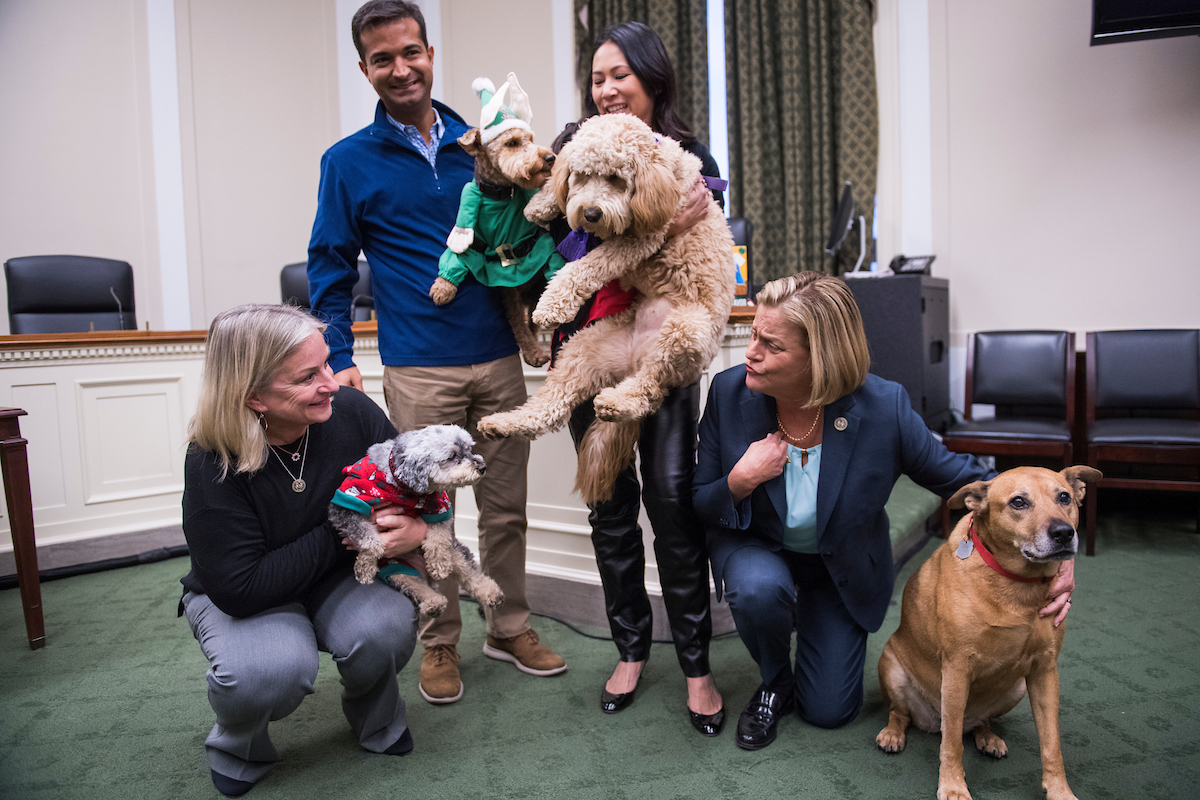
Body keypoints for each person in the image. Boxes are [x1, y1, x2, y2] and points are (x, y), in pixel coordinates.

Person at [692, 271, 1077, 751]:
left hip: (842, 567)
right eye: (754, 335)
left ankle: (814, 637)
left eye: (771, 344)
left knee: (830, 712)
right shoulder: (729, 393)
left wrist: (1055, 547)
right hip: (760, 550)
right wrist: (741, 478)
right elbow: (702, 501)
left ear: (822, 359)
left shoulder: (882, 408)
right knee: (757, 587)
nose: (751, 352)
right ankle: (774, 680)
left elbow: (965, 478)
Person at [305, 0, 567, 706]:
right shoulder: (347, 161)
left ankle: (508, 626)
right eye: (383, 59)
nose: (401, 69)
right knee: (430, 519)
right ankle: (441, 640)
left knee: (506, 508)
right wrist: (335, 353)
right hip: (418, 365)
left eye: (410, 52)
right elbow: (328, 264)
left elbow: (531, 225)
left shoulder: (483, 142)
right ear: (365, 69)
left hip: (500, 356)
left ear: (430, 53)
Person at [547, 21, 725, 736]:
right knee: (609, 506)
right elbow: (549, 231)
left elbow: (701, 254)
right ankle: (628, 650)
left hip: (660, 356)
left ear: (654, 81)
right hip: (588, 347)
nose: (608, 88)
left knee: (674, 503)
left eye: (620, 74)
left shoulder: (691, 159)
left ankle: (695, 664)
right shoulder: (575, 147)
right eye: (597, 77)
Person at [180, 304, 425, 797]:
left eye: (327, 364)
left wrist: (415, 529)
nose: (332, 383)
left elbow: (412, 487)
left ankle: (376, 717)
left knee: (385, 626)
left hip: (335, 575)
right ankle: (238, 744)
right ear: (254, 397)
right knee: (269, 670)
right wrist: (348, 527)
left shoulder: (352, 413)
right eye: (307, 377)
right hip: (246, 592)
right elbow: (243, 588)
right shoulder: (212, 460)